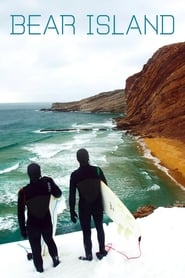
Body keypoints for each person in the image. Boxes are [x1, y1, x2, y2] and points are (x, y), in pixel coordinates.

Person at [17, 163, 62, 273]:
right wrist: (51, 181)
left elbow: (20, 213)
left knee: (35, 248)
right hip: (46, 220)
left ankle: (40, 270)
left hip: (33, 225)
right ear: (40, 172)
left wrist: (23, 229)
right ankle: (56, 261)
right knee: (49, 241)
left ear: (28, 175)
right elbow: (58, 194)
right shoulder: (47, 184)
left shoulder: (23, 192)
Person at [69, 148, 108, 261]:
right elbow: (106, 188)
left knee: (86, 231)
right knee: (99, 227)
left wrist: (72, 211)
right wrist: (105, 205)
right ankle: (102, 251)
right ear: (88, 157)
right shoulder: (97, 170)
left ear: (77, 159)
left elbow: (72, 195)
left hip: (84, 207)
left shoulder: (74, 175)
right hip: (97, 204)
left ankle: (89, 255)